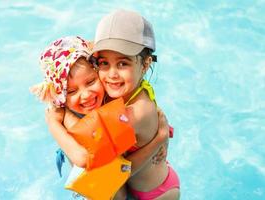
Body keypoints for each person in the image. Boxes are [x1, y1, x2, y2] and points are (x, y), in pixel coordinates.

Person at [30, 36, 170, 199]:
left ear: (97, 71)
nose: (86, 95)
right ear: (59, 96)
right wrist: (159, 140)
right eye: (72, 92)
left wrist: (53, 123)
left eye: (90, 82)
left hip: (156, 193)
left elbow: (85, 159)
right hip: (125, 185)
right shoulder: (70, 115)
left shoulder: (112, 104)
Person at [91, 9, 180, 199]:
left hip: (156, 193)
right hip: (139, 178)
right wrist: (161, 138)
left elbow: (112, 172)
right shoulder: (128, 89)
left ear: (146, 64)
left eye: (123, 64)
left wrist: (159, 138)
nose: (112, 74)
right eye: (104, 63)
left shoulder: (135, 113)